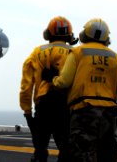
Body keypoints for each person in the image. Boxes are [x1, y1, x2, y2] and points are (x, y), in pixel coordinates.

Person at [44, 18, 117, 161]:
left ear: (84, 34)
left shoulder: (77, 53)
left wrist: (52, 79)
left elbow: (64, 82)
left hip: (83, 112)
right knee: (106, 154)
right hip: (109, 115)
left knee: (81, 153)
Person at [19, 16, 78, 162]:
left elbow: (26, 84)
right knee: (66, 151)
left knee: (40, 149)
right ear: (69, 35)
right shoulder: (76, 53)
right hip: (67, 106)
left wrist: (27, 111)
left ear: (48, 34)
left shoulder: (37, 52)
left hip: (43, 105)